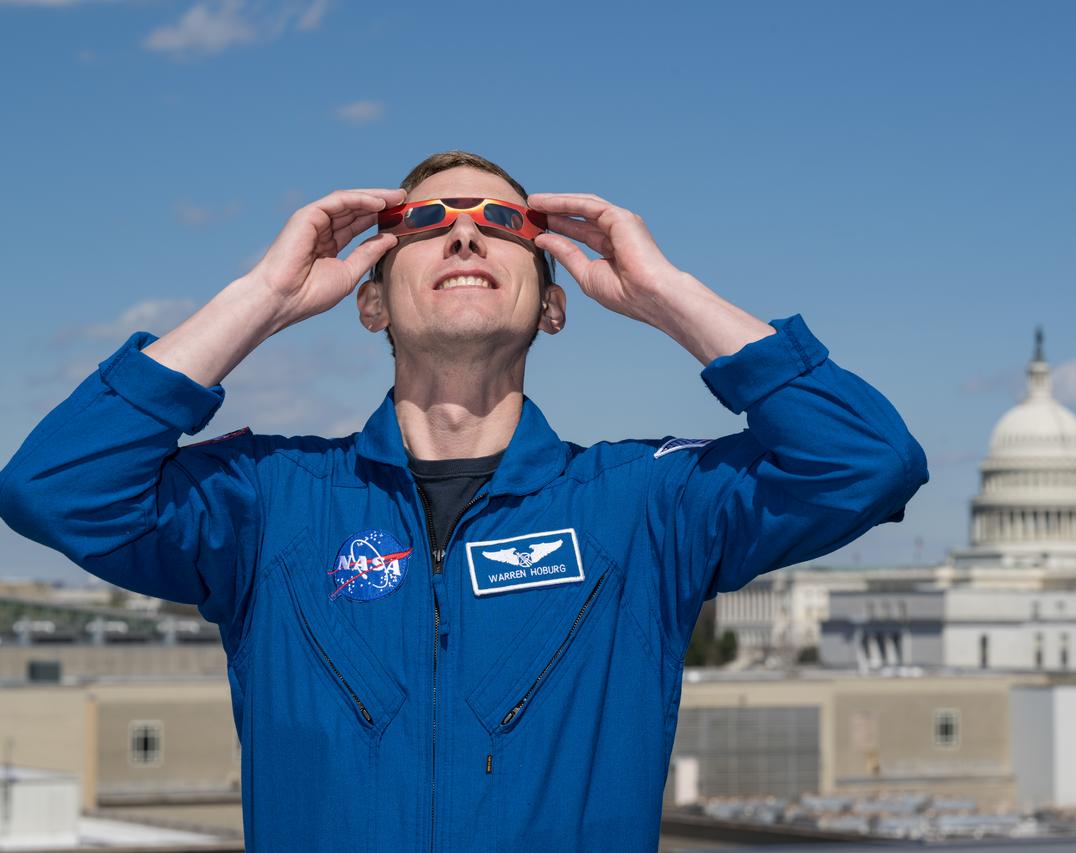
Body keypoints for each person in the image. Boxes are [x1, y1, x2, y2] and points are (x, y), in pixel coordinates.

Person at [0, 150, 929, 851]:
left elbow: (866, 462)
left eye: (500, 221)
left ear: (554, 306)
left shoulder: (644, 505)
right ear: (370, 303)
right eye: (429, 220)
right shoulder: (270, 502)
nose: (465, 231)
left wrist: (665, 293)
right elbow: (57, 487)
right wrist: (264, 296)